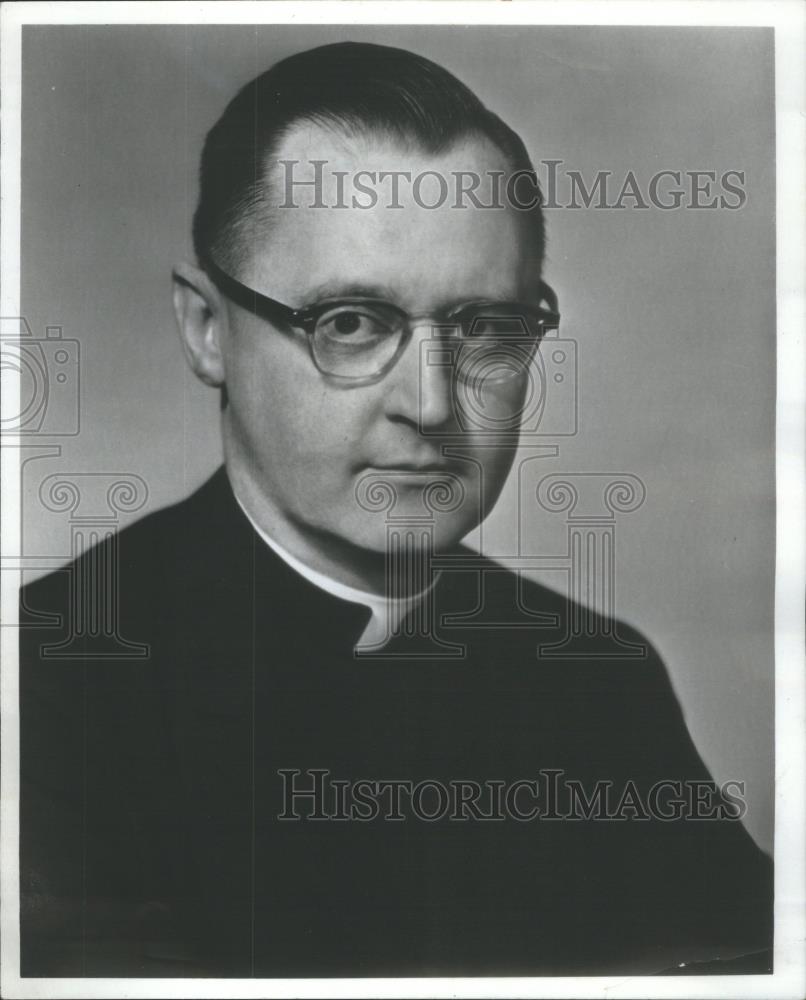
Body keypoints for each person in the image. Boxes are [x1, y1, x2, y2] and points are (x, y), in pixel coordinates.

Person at [19, 41, 772, 977]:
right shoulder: (48, 692)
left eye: (484, 327)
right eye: (350, 323)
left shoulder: (601, 682)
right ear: (208, 329)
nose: (432, 402)